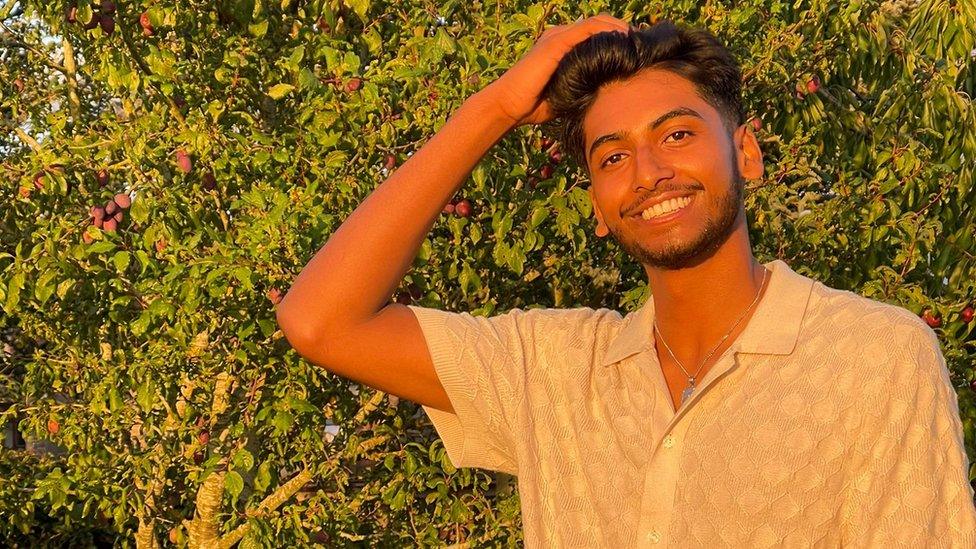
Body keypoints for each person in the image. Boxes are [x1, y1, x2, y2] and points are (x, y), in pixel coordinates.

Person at [275, 13, 976, 548]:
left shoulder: (875, 356)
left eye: (676, 135)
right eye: (612, 157)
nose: (648, 174)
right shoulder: (552, 370)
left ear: (746, 152)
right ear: (598, 209)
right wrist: (497, 108)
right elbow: (320, 319)